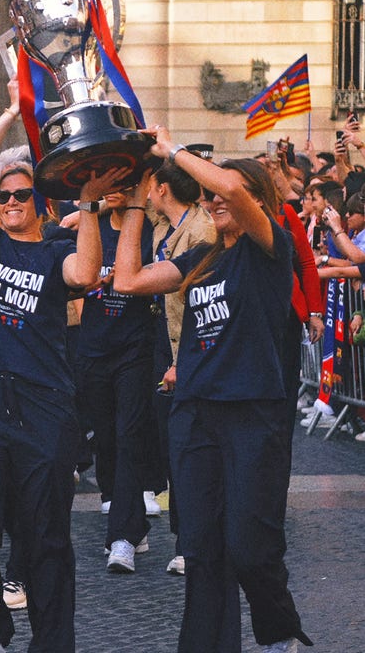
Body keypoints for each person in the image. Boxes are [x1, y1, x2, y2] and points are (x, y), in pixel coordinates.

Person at [112, 130, 313, 653]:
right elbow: (127, 281)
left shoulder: (269, 248)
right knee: (201, 550)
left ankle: (278, 631)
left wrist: (168, 149)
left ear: (256, 201)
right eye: (209, 194)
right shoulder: (199, 258)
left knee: (250, 546)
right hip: (196, 414)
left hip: (252, 414)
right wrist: (136, 201)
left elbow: (233, 187)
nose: (215, 198)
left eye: (228, 192)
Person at [0, 80, 121, 653]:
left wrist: (89, 204)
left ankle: (52, 643)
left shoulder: (51, 253)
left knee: (45, 539)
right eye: (4, 197)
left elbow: (88, 274)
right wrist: (14, 113)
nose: (11, 203)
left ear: (40, 205)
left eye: (22, 196)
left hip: (44, 406)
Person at [73, 182, 157, 574]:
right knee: (106, 437)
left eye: (122, 181)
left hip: (134, 349)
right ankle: (132, 521)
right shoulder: (92, 224)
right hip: (93, 346)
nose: (115, 190)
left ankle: (121, 537)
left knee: (130, 434)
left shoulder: (151, 228)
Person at [144, 159, 215, 576]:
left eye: (151, 185)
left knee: (188, 447)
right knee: (172, 445)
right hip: (161, 336)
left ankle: (193, 542)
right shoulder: (163, 224)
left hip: (183, 346)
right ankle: (185, 537)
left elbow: (199, 307)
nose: (147, 192)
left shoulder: (201, 231)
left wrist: (181, 362)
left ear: (165, 188)